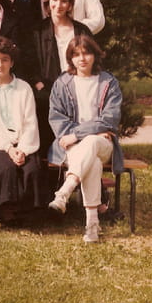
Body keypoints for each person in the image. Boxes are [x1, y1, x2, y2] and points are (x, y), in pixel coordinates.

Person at [47, 35, 124, 243]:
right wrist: (86, 133)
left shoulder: (108, 82)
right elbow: (57, 118)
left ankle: (65, 191)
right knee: (93, 161)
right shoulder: (62, 83)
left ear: (95, 55)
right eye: (76, 54)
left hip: (102, 144)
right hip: (72, 146)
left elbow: (110, 118)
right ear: (70, 58)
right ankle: (92, 225)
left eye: (86, 53)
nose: (82, 59)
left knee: (91, 143)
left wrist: (78, 134)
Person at [0, 36, 42, 225]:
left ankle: (29, 212)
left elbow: (30, 122)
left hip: (22, 142)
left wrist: (22, 149)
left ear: (12, 62)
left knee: (32, 168)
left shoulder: (24, 88)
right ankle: (7, 211)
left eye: (5, 60)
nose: (0, 65)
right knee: (6, 167)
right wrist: (8, 148)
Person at [33, 0, 93, 153]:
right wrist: (38, 83)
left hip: (77, 88)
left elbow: (92, 59)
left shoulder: (82, 30)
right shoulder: (37, 30)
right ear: (48, 1)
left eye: (64, 1)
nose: (58, 5)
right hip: (46, 91)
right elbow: (29, 61)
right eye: (55, 0)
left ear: (70, 5)